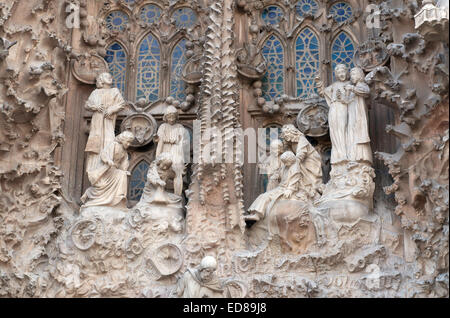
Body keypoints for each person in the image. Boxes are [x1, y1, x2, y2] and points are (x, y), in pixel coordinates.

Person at [84, 72, 126, 181]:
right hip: (97, 121)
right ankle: (96, 167)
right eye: (107, 76)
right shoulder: (95, 92)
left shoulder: (114, 91)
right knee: (97, 143)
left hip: (108, 120)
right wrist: (95, 107)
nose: (110, 78)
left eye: (110, 76)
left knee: (108, 140)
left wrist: (112, 109)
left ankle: (108, 163)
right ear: (101, 80)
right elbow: (87, 105)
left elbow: (121, 103)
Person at [81, 131, 134, 209]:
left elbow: (124, 164)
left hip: (115, 170)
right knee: (112, 179)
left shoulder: (124, 152)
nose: (129, 144)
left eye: (130, 143)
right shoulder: (114, 145)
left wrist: (124, 170)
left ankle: (117, 199)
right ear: (123, 139)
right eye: (128, 142)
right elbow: (104, 154)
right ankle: (90, 193)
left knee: (122, 175)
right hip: (107, 169)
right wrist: (108, 160)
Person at [246, 151, 301, 222]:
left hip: (284, 190)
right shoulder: (286, 166)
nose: (285, 164)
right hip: (280, 188)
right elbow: (279, 173)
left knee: (266, 197)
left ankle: (257, 215)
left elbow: (294, 181)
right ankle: (253, 213)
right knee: (263, 195)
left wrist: (290, 189)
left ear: (290, 160)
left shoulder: (295, 169)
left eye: (286, 162)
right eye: (284, 162)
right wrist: (274, 176)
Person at [316, 64, 351, 164]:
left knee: (343, 129)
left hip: (344, 108)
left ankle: (345, 153)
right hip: (334, 109)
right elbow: (323, 92)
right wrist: (319, 82)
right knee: (334, 131)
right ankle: (338, 154)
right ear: (336, 75)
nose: (341, 74)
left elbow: (352, 98)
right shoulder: (334, 85)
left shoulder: (350, 84)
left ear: (346, 73)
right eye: (339, 72)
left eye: (343, 72)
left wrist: (343, 97)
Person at [155, 106, 188, 196]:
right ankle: (161, 192)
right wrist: (157, 157)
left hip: (177, 150)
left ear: (176, 117)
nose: (171, 119)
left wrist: (179, 141)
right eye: (169, 117)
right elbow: (160, 140)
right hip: (165, 150)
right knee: (164, 168)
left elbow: (183, 140)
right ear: (165, 117)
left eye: (173, 117)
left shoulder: (180, 126)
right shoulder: (163, 126)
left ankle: (177, 194)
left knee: (177, 170)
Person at [281, 124, 322, 196]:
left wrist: (294, 163)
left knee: (313, 181)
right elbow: (287, 152)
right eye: (284, 133)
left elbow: (301, 153)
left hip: (310, 160)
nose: (285, 135)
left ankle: (313, 191)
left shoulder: (301, 139)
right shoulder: (289, 141)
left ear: (292, 132)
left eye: (287, 133)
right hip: (299, 160)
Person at [346, 67, 373, 163]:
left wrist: (353, 88)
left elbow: (366, 92)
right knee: (352, 135)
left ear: (359, 75)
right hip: (352, 117)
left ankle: (362, 157)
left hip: (359, 116)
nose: (351, 77)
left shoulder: (361, 85)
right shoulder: (354, 89)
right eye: (351, 75)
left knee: (359, 135)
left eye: (353, 74)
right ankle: (353, 157)